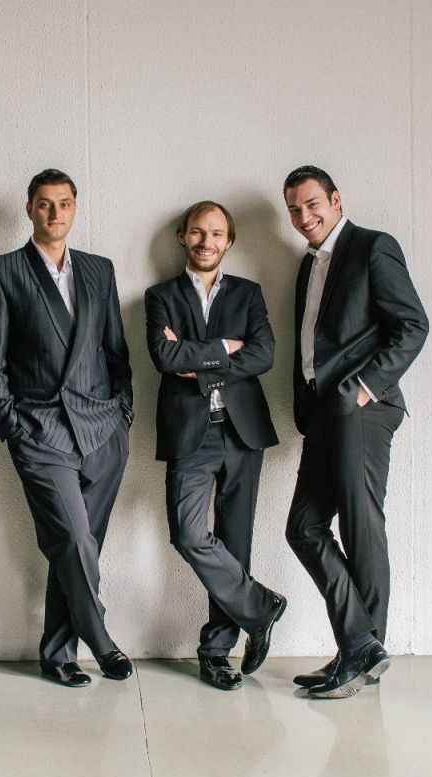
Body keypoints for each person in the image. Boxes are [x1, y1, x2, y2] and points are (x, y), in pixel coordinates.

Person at [0, 169, 134, 687]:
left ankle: (58, 654)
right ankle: (101, 640)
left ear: (74, 208)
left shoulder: (99, 269)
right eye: (44, 203)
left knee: (77, 547)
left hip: (103, 430)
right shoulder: (1, 272)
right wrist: (12, 426)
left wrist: (123, 412)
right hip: (40, 430)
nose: (55, 212)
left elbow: (115, 349)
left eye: (64, 203)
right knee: (75, 539)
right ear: (29, 210)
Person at [283, 166, 429, 698]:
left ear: (336, 200)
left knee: (361, 525)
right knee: (303, 527)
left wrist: (363, 389)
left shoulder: (372, 247)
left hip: (361, 408)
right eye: (294, 209)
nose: (304, 216)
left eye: (312, 204)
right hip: (322, 411)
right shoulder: (308, 265)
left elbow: (412, 324)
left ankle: (364, 650)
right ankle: (360, 645)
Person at [144, 201, 286, 690]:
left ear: (229, 241)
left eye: (217, 234)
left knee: (235, 541)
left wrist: (199, 362)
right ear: (183, 237)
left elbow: (264, 354)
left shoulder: (248, 293)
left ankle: (217, 651)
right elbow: (165, 356)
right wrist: (227, 347)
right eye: (198, 232)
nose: (207, 242)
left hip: (243, 431)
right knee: (188, 533)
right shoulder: (160, 296)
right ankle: (259, 607)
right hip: (191, 432)